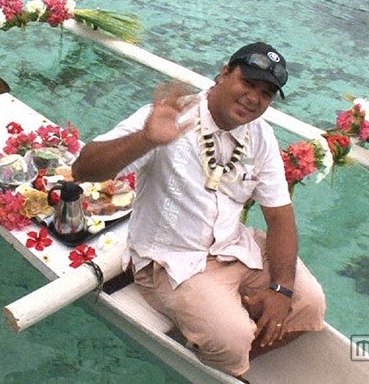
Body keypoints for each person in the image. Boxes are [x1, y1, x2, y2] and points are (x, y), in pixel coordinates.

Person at [71, 42, 326, 380]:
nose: (254, 98)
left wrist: (280, 290)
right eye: (248, 83)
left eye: (265, 93)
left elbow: (280, 218)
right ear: (224, 73)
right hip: (170, 261)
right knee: (232, 338)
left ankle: (223, 355)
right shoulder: (172, 116)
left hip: (236, 249)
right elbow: (83, 170)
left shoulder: (261, 136)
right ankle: (223, 353)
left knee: (310, 302)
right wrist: (145, 139)